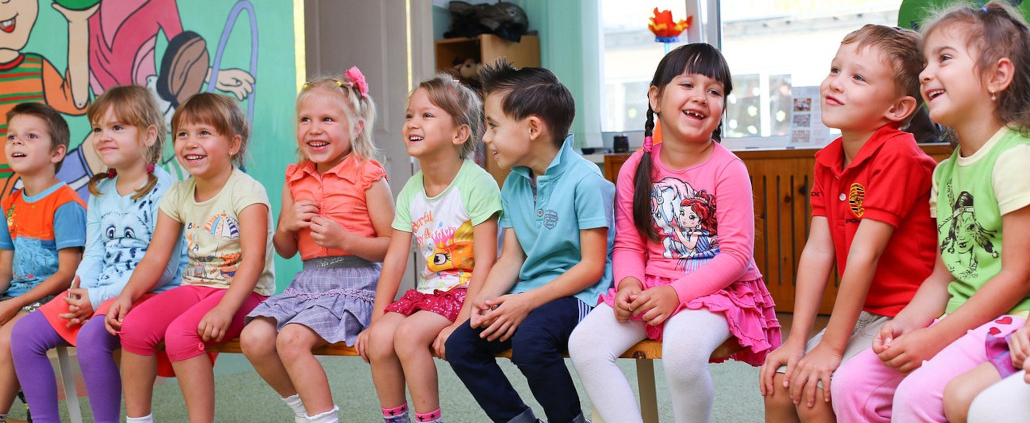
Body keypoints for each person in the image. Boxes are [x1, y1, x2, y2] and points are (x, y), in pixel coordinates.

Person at [830, 2, 1030, 422]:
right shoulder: (945, 173)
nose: (925, 73)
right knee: (850, 386)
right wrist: (908, 324)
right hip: (957, 317)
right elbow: (943, 276)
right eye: (926, 62)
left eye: (944, 58)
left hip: (1010, 320)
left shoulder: (1016, 158)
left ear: (997, 76)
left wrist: (937, 337)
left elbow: (1018, 276)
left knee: (916, 396)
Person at [568, 43, 781, 423]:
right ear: (656, 98)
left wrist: (676, 294)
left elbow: (736, 257)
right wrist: (629, 283)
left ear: (722, 108)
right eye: (687, 84)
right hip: (651, 285)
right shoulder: (636, 167)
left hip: (716, 291)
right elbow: (630, 243)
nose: (701, 96)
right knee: (585, 344)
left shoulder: (729, 169)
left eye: (714, 91)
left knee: (683, 353)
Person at [758, 25, 936, 423]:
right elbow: (818, 250)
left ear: (898, 109)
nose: (835, 83)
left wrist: (831, 348)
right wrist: (797, 340)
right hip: (865, 311)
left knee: (812, 393)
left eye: (858, 77)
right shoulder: (828, 159)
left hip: (906, 314)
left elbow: (864, 254)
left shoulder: (899, 156)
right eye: (835, 69)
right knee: (780, 385)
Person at [443, 60, 615, 423]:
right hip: (528, 294)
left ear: (533, 128)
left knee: (530, 343)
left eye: (493, 126)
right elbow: (511, 259)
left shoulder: (586, 181)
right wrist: (484, 303)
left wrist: (524, 302)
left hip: (581, 296)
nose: (485, 138)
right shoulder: (513, 183)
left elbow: (592, 267)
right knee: (460, 345)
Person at [10, 85, 186, 423]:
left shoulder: (167, 191)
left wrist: (97, 297)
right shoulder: (100, 189)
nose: (104, 136)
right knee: (24, 334)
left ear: (149, 135)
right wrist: (80, 292)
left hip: (148, 293)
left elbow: (164, 269)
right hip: (99, 291)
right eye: (97, 128)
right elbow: (93, 252)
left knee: (92, 337)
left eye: (117, 127)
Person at [104, 92, 275, 423]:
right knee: (134, 326)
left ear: (233, 144)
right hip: (196, 288)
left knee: (181, 333)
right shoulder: (178, 193)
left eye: (204, 133)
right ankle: (138, 420)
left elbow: (254, 261)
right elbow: (156, 257)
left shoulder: (247, 191)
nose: (190, 143)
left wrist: (225, 309)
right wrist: (127, 296)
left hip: (246, 293)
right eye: (182, 134)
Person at [239, 67, 394, 423]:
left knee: (291, 339)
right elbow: (285, 250)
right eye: (305, 119)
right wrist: (286, 225)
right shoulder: (294, 177)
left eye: (327, 119)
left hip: (356, 284)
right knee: (254, 338)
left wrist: (346, 240)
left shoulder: (368, 175)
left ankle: (322, 418)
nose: (314, 128)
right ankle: (306, 411)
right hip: (307, 284)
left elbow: (393, 245)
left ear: (356, 127)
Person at [357, 74, 501, 423]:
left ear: (459, 134)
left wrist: (462, 324)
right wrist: (375, 322)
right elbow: (395, 259)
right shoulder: (411, 189)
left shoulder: (477, 183)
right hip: (429, 293)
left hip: (467, 292)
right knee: (381, 339)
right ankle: (396, 418)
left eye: (426, 115)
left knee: (407, 337)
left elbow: (487, 262)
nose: (412, 123)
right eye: (409, 115)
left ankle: (428, 419)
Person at [0, 102, 86, 423]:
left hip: (54, 300)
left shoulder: (66, 204)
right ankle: (22, 387)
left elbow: (67, 275)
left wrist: (13, 305)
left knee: (7, 339)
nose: (17, 142)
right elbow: (5, 268)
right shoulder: (9, 204)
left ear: (56, 153)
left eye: (30, 136)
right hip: (18, 297)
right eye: (12, 136)